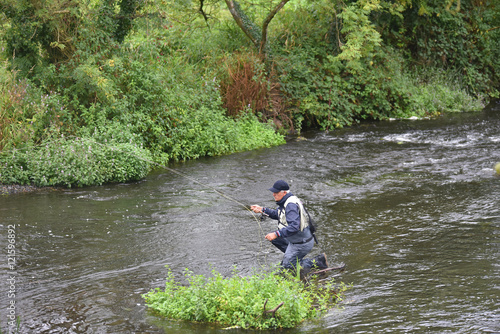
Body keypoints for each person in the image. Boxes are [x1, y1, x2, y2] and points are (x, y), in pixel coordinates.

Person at [251, 180, 328, 272]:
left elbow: (294, 226)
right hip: (297, 239)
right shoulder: (287, 200)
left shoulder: (290, 205)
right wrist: (263, 210)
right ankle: (292, 257)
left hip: (301, 243)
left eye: (276, 192)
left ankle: (319, 261)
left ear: (284, 192)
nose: (273, 194)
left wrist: (276, 233)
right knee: (276, 239)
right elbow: (278, 214)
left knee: (287, 267)